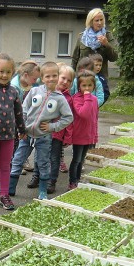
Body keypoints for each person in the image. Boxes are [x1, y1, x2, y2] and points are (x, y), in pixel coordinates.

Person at [8, 61, 73, 201]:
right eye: (47, 76)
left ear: (58, 76)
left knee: (43, 163)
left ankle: (42, 190)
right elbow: (23, 109)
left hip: (44, 137)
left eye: (54, 75)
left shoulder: (60, 98)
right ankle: (10, 188)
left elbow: (68, 117)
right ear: (42, 78)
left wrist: (52, 127)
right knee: (17, 160)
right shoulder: (34, 91)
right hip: (26, 135)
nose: (51, 79)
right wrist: (22, 127)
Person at [0, 53, 26, 211]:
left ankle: (4, 194)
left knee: (6, 166)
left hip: (9, 137)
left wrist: (22, 129)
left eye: (8, 72)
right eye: (1, 71)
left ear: (12, 72)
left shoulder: (14, 92)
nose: (4, 75)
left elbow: (18, 113)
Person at [68, 70, 99, 190]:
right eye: (84, 85)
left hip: (89, 135)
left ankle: (78, 179)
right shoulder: (76, 99)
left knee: (82, 160)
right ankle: (72, 181)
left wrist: (94, 136)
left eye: (90, 85)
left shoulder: (94, 99)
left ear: (94, 86)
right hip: (79, 135)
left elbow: (94, 118)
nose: (87, 88)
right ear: (79, 86)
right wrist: (86, 97)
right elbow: (84, 114)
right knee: (76, 159)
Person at [47, 64, 75, 194]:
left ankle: (52, 181)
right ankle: (38, 177)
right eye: (63, 78)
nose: (65, 82)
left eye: (69, 80)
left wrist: (68, 137)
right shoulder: (48, 92)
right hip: (44, 132)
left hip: (58, 134)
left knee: (54, 158)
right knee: (40, 156)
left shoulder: (68, 98)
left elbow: (69, 120)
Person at [11, 61, 40, 174]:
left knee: (19, 143)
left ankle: (20, 163)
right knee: (16, 144)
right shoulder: (15, 86)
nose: (36, 81)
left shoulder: (28, 83)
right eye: (34, 78)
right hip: (14, 120)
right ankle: (14, 167)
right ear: (26, 75)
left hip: (22, 118)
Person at [71, 8, 117, 79]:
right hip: (82, 78)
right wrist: (72, 76)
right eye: (97, 20)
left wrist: (106, 44)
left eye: (101, 20)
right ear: (91, 22)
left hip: (100, 79)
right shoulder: (82, 37)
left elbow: (114, 58)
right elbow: (75, 59)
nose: (99, 23)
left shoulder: (107, 35)